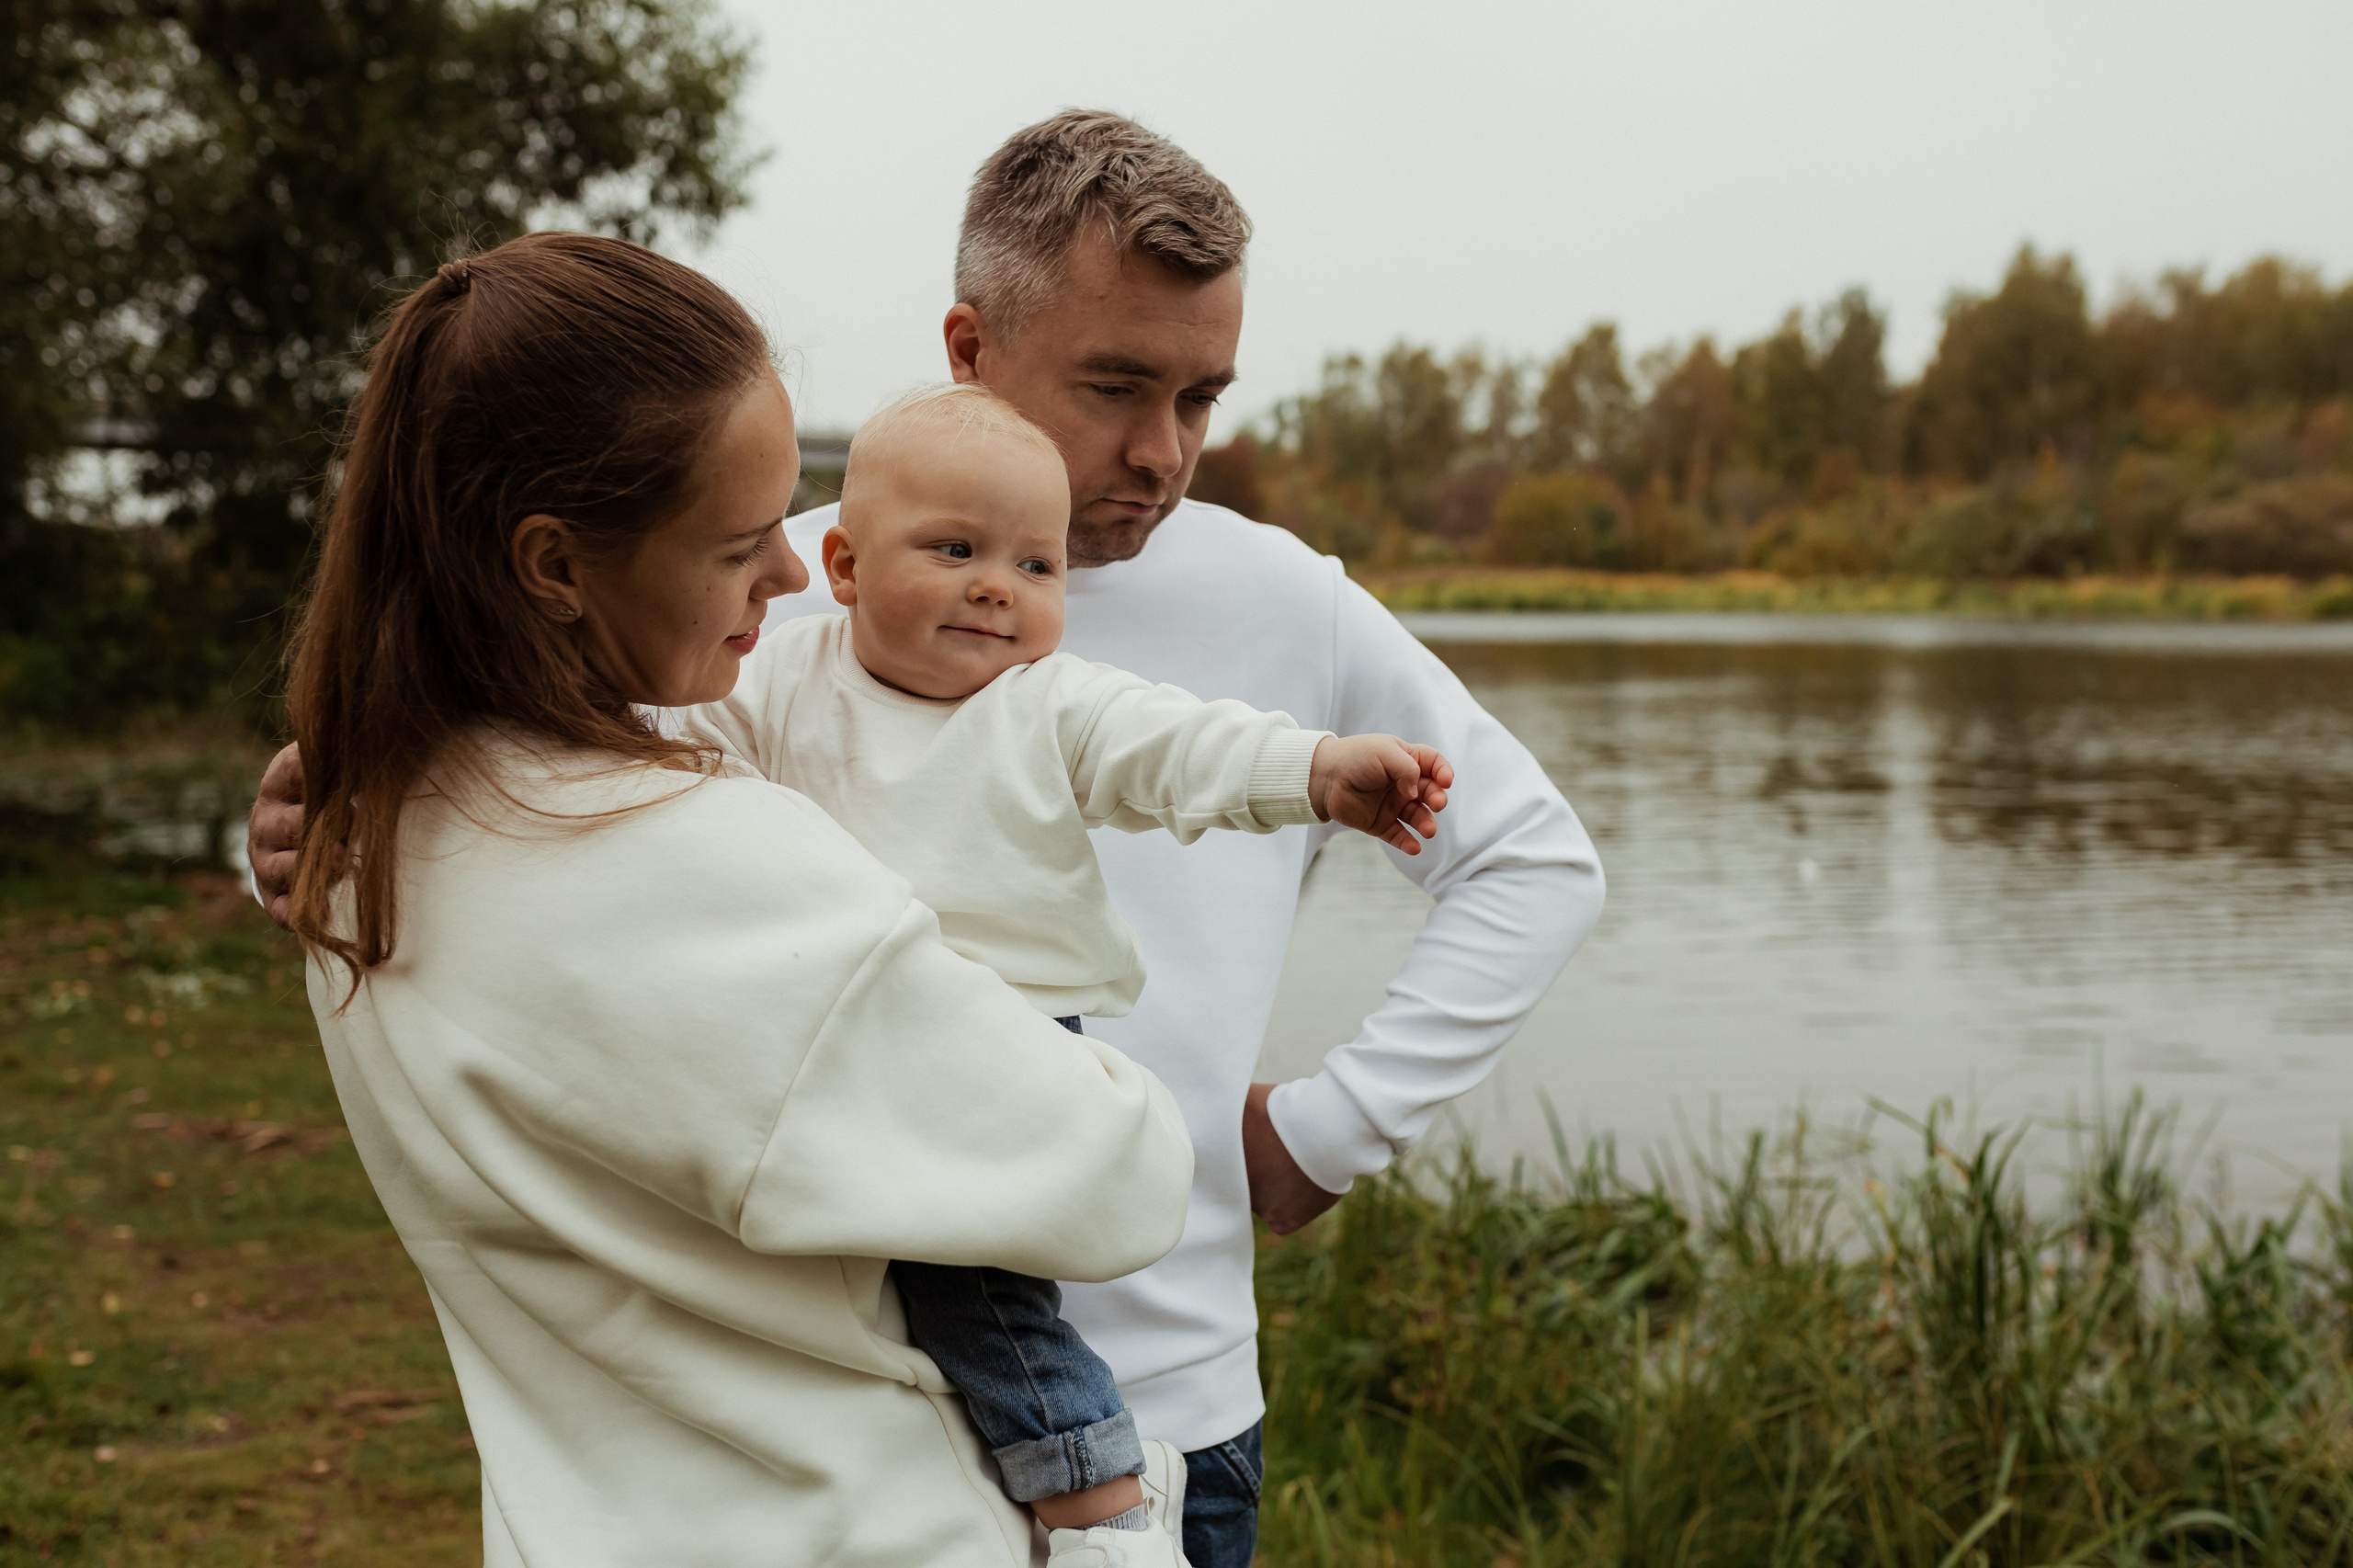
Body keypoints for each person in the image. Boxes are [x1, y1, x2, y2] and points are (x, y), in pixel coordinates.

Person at [252, 111, 1607, 1568]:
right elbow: (559, 782)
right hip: (850, 1367)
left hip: (1168, 1375)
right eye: (1117, 385)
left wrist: (1328, 1129)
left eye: (1203, 396)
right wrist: (315, 818)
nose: (1162, 451)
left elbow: (1529, 861)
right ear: (968, 349)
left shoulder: (1285, 599)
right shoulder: (784, 577)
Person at [281, 229, 1199, 1567]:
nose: (787, 573)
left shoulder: (356, 847)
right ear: (551, 564)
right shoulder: (713, 865)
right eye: (739, 541)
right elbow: (1117, 1176)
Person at [682, 379, 1455, 1564]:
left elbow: (1182, 746)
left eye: (1036, 568)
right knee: (835, 1269)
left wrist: (1317, 770)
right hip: (845, 1045)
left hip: (1011, 1053)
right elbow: (643, 749)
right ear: (840, 565)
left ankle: (1096, 1496)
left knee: (969, 1282)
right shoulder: (783, 682)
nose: (998, 586)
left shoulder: (1049, 704)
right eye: (954, 550)